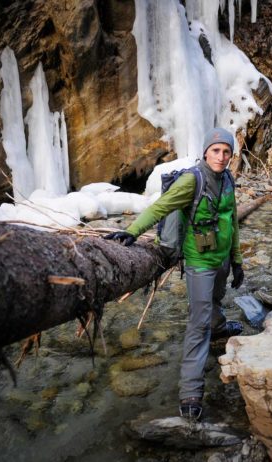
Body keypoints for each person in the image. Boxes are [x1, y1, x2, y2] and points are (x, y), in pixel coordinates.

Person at [104, 127, 244, 421]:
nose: (221, 156)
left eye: (226, 151)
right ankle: (191, 391)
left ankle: (219, 328)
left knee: (217, 299)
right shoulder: (192, 180)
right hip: (199, 262)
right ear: (206, 151)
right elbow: (160, 208)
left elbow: (232, 222)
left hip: (221, 260)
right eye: (216, 150)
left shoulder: (229, 179)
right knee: (198, 323)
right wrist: (131, 231)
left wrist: (237, 260)